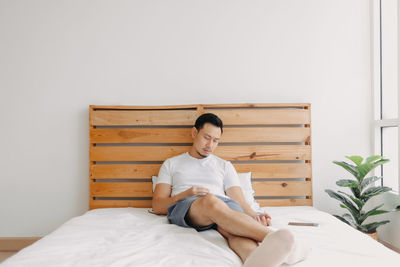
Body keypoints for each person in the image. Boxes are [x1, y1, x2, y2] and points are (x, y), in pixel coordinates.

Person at [152, 113, 309, 267]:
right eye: (206, 138)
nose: (210, 145)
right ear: (194, 133)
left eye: (215, 141)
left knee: (236, 231)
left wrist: (255, 215)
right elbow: (158, 206)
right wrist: (186, 194)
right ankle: (278, 240)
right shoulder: (172, 164)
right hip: (189, 205)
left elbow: (239, 201)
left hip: (225, 207)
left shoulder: (224, 166)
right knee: (211, 201)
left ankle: (254, 261)